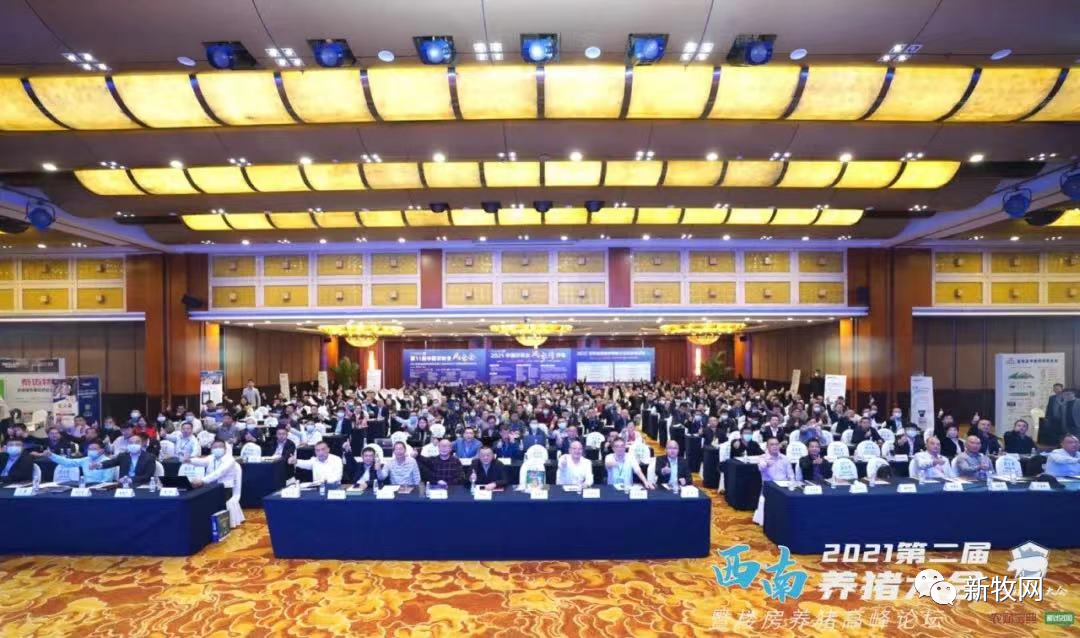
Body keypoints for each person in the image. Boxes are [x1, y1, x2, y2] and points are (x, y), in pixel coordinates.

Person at [41, 441, 115, 483]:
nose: (90, 451)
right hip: (85, 488)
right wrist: (51, 455)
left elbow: (107, 480)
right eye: (89, 449)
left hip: (100, 490)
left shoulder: (108, 462)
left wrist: (96, 489)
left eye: (94, 449)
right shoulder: (86, 460)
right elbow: (67, 462)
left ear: (101, 450)